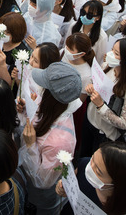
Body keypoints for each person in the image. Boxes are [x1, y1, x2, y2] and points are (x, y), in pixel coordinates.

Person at [18, 62, 82, 214]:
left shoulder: (60, 142)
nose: (39, 88)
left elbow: (42, 181)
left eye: (44, 87)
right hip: (28, 182)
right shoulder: (53, 107)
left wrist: (31, 146)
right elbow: (39, 113)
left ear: (51, 96)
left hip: (43, 196)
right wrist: (26, 109)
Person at [81, 39, 126, 156]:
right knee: (82, 154)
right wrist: (91, 88)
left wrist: (101, 106)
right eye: (112, 50)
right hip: (89, 120)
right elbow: (96, 85)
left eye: (116, 54)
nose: (110, 54)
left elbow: (124, 123)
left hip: (104, 134)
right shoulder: (107, 66)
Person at [56, 141, 126, 215]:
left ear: (117, 182)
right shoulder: (84, 164)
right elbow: (71, 182)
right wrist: (64, 187)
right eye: (92, 159)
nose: (90, 168)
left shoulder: (125, 210)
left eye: (98, 171)